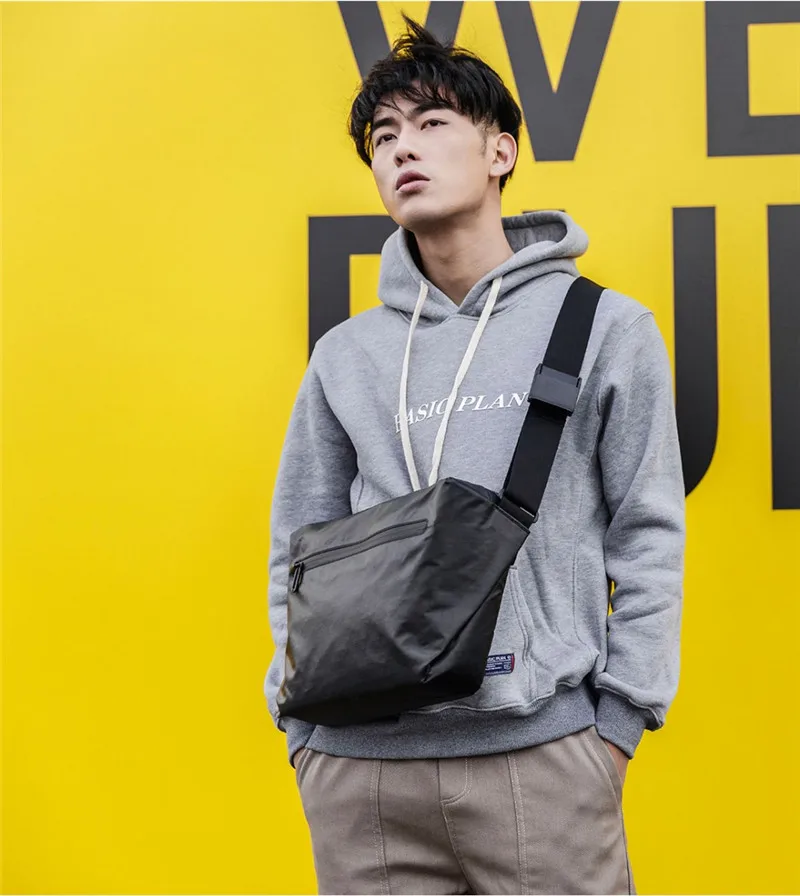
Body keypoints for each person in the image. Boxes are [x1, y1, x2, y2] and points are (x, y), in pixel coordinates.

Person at [264, 16, 685, 896]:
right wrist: (301, 733)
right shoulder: (346, 355)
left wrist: (616, 727)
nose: (402, 149)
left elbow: (648, 533)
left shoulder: (605, 326)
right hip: (358, 773)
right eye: (384, 137)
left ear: (501, 151)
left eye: (431, 123)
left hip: (539, 755)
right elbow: (298, 544)